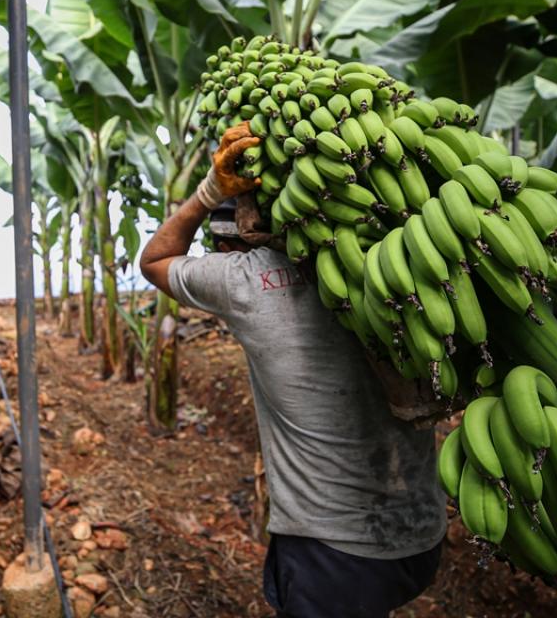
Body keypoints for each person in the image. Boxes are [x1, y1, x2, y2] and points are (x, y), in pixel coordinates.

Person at [139, 123, 447, 618]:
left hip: (329, 553)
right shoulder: (394, 261)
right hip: (421, 536)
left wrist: (210, 191)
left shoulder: (244, 282)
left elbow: (155, 260)